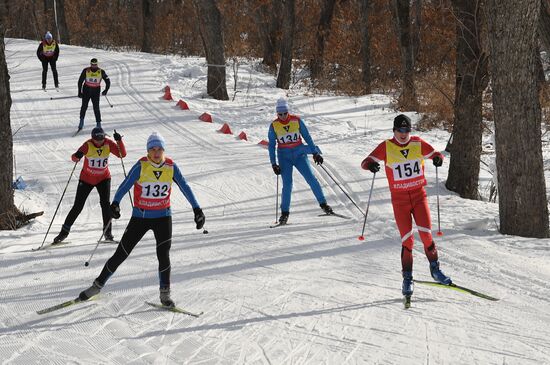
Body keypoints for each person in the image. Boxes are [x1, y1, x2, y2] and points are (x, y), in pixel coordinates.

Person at [78, 132, 206, 308]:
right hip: (140, 217)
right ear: (147, 150)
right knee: (121, 253)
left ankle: (165, 295)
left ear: (163, 150)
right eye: (152, 149)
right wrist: (115, 203)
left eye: (159, 149)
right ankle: (97, 285)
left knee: (163, 256)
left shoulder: (171, 166)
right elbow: (125, 185)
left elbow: (185, 186)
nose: (156, 152)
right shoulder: (141, 165)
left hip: (163, 217)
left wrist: (197, 209)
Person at [361, 114, 451, 298]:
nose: (403, 134)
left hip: (419, 197)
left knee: (426, 234)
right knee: (408, 240)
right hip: (400, 201)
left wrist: (438, 158)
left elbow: (436, 154)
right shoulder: (386, 146)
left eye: (407, 130)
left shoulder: (417, 143)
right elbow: (365, 162)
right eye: (400, 130)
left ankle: (435, 270)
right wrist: (371, 165)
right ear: (394, 130)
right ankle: (407, 278)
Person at [53, 127, 126, 244]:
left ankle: (108, 234)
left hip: (103, 178)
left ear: (104, 137)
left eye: (101, 139)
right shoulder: (87, 145)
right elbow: (74, 158)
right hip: (86, 179)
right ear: (92, 139)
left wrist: (119, 141)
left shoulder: (108, 144)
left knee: (105, 205)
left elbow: (122, 154)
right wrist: (78, 155)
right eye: (96, 140)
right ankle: (63, 233)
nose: (99, 142)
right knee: (78, 206)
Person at [268, 98, 334, 225]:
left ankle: (324, 204)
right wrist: (273, 163)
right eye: (279, 114)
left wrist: (315, 152)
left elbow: (307, 136)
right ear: (277, 113)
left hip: (299, 154)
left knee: (311, 179)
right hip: (284, 157)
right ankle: (285, 213)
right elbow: (271, 146)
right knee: (287, 185)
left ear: (288, 111)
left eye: (284, 113)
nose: (282, 116)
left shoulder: (296, 121)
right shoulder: (274, 125)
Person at [77, 58, 110, 130]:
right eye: (92, 64)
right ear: (90, 64)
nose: (94, 66)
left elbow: (108, 81)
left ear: (97, 64)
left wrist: (106, 90)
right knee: (84, 106)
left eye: (95, 64)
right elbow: (80, 81)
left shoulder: (101, 71)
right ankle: (81, 121)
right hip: (86, 90)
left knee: (96, 108)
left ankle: (98, 123)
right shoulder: (86, 70)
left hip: (96, 91)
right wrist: (79, 92)